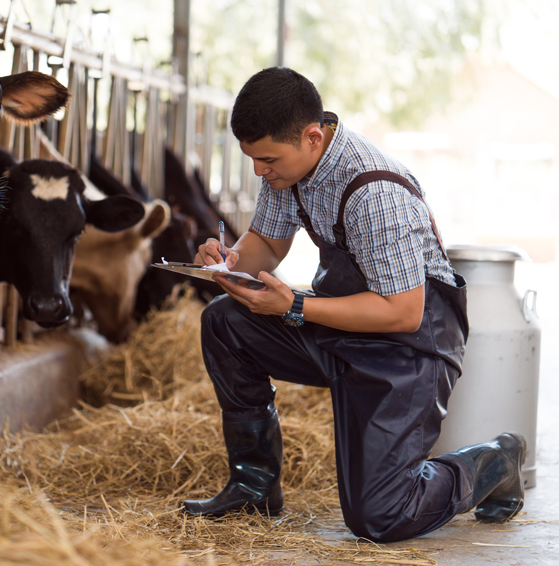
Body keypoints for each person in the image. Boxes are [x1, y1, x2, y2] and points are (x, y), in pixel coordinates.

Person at [183, 67, 526, 543]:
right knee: (225, 320)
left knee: (381, 518)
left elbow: (403, 312)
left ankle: (494, 461)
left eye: (267, 159)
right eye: (253, 159)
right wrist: (228, 262)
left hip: (408, 349)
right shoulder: (291, 171)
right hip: (344, 326)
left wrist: (294, 306)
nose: (260, 171)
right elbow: (267, 241)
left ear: (311, 137)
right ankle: (254, 487)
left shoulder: (374, 191)